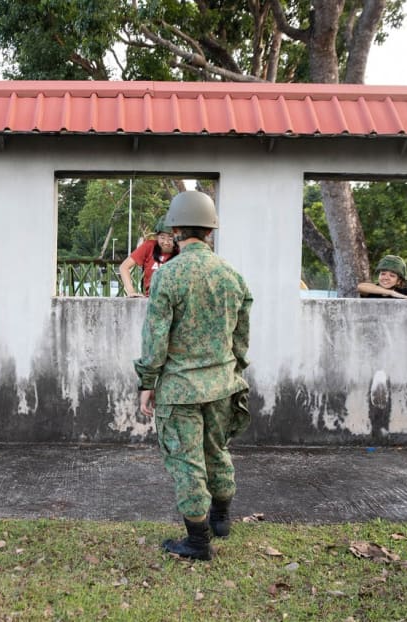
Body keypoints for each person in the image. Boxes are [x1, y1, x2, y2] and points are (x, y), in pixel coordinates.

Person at [134, 191, 252, 561]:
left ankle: (198, 541)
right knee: (217, 451)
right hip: (221, 385)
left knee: (187, 461)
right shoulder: (232, 276)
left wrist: (147, 383)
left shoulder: (169, 275)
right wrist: (233, 371)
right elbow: (241, 337)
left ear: (177, 228)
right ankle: (221, 520)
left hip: (180, 388)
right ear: (210, 230)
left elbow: (156, 339)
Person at [119, 217, 179, 297]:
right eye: (162, 237)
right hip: (152, 299)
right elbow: (124, 267)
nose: (166, 242)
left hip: (175, 299)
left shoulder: (182, 250)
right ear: (157, 237)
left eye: (170, 238)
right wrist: (131, 291)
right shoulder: (149, 246)